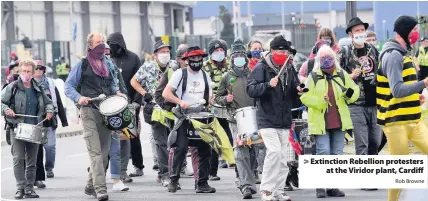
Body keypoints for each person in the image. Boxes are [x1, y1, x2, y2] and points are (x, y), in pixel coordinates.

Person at [65, 32, 126, 201]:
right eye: (98, 43)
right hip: (88, 111)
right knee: (96, 154)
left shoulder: (107, 64)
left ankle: (90, 186)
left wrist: (117, 93)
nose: (101, 45)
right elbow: (68, 86)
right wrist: (79, 98)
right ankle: (100, 189)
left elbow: (113, 84)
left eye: (103, 42)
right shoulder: (82, 64)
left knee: (105, 153)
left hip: (106, 112)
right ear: (90, 46)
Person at [376, 15, 428, 201]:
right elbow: (397, 90)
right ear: (405, 31)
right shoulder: (393, 55)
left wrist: (415, 95)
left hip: (413, 119)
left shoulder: (403, 52)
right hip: (396, 122)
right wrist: (423, 84)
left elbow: (404, 86)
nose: (417, 34)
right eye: (414, 30)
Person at [300, 45, 359, 198]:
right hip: (321, 122)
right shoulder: (313, 77)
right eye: (323, 58)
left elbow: (354, 90)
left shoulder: (341, 74)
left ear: (334, 58)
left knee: (337, 154)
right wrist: (320, 101)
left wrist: (349, 95)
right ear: (319, 60)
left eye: (329, 57)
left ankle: (333, 186)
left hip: (339, 121)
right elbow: (305, 97)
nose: (326, 61)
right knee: (323, 152)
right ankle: (320, 186)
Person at [247, 35, 301, 201]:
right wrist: (267, 85)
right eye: (280, 51)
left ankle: (278, 190)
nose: (283, 54)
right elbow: (251, 89)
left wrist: (298, 90)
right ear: (272, 51)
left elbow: (294, 87)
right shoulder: (262, 67)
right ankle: (266, 190)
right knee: (274, 152)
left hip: (284, 119)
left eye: (286, 51)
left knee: (283, 157)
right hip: (267, 118)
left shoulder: (289, 68)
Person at [162, 46, 217, 194]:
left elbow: (210, 99)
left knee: (205, 150)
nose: (197, 62)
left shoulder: (205, 76)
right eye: (193, 59)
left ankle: (202, 183)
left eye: (199, 59)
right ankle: (173, 180)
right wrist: (180, 102)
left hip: (201, 117)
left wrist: (214, 101)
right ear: (187, 60)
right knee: (180, 148)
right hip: (184, 116)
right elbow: (166, 93)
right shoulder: (180, 74)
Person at [2, 59, 54, 199]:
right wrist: (7, 110)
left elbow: (49, 103)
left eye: (28, 71)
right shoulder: (12, 87)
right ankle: (20, 188)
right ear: (19, 71)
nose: (26, 74)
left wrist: (49, 111)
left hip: (34, 129)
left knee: (32, 162)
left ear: (33, 72)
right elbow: (1, 103)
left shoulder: (39, 88)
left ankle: (29, 188)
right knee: (18, 159)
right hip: (17, 128)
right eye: (23, 71)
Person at [130, 40, 179, 185]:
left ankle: (169, 171)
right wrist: (144, 93)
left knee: (174, 142)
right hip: (155, 109)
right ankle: (165, 174)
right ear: (155, 55)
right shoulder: (147, 67)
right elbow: (134, 81)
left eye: (167, 52)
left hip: (172, 108)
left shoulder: (174, 66)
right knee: (161, 142)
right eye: (162, 52)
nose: (165, 54)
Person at [215, 38, 259, 199]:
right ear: (232, 59)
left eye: (241, 54)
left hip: (254, 118)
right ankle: (246, 185)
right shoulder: (227, 77)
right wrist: (224, 99)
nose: (239, 58)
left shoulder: (254, 74)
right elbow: (217, 98)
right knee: (241, 152)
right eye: (236, 55)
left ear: (245, 58)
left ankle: (248, 178)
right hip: (235, 119)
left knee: (253, 150)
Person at [339, 17, 382, 172]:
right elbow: (337, 77)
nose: (360, 33)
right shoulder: (345, 52)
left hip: (375, 102)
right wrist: (350, 76)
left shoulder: (373, 49)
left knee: (375, 141)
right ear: (350, 33)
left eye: (362, 30)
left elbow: (380, 71)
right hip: (356, 103)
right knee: (362, 142)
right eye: (357, 30)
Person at [107, 32, 143, 182]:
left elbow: (141, 81)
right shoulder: (108, 59)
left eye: (112, 46)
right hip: (111, 105)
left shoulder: (133, 58)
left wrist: (137, 101)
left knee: (131, 136)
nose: (110, 49)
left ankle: (137, 165)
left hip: (130, 103)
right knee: (111, 138)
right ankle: (108, 167)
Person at [33, 60, 68, 187]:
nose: (38, 71)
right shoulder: (29, 84)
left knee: (50, 147)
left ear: (44, 70)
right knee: (37, 151)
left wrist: (64, 120)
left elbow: (57, 101)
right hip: (35, 122)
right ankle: (38, 175)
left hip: (49, 120)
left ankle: (49, 167)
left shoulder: (51, 84)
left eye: (40, 68)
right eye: (36, 68)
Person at [204, 39, 233, 179]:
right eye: (216, 51)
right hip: (211, 107)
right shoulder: (205, 68)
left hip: (228, 107)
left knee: (229, 136)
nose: (219, 53)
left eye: (222, 50)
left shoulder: (229, 67)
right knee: (213, 138)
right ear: (211, 54)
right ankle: (212, 171)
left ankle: (233, 162)